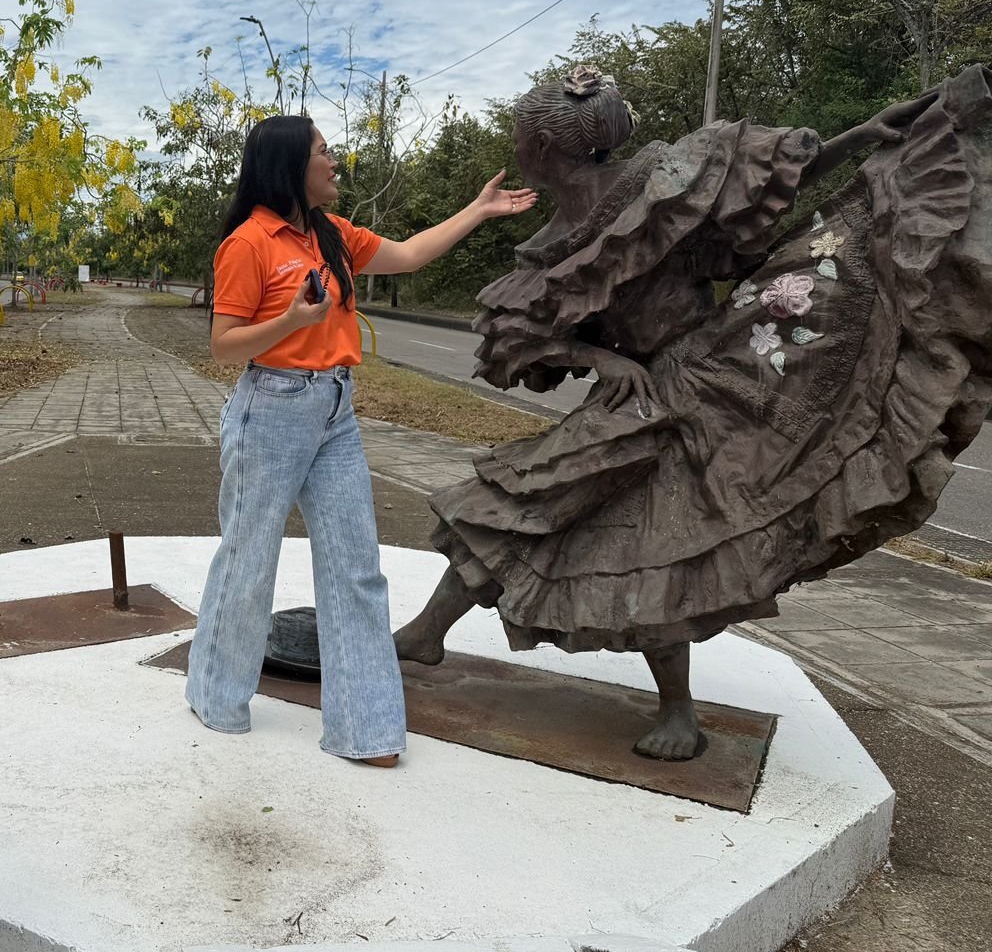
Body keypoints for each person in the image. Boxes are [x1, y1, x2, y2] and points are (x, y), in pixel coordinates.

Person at [393, 64, 992, 760]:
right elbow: (527, 340)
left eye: (520, 137)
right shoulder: (546, 245)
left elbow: (767, 184)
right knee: (511, 501)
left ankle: (678, 710)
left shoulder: (662, 175)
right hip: (636, 392)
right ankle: (425, 634)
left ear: (544, 150)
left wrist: (858, 136)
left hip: (711, 372)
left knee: (663, 539)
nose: (516, 147)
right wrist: (602, 359)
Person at [185, 115, 537, 767]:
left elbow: (407, 253)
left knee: (356, 569)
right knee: (248, 561)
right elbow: (221, 345)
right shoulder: (248, 243)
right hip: (272, 409)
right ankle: (216, 695)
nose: (334, 160)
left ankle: (366, 730)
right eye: (324, 151)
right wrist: (292, 320)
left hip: (336, 413)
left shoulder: (332, 235)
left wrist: (479, 211)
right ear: (292, 164)